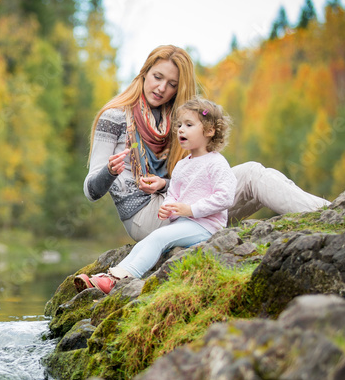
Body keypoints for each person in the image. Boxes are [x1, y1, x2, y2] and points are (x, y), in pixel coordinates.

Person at [82, 45, 329, 245]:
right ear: (144, 72)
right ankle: (329, 214)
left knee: (256, 177)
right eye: (157, 77)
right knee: (251, 175)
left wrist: (164, 183)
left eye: (172, 84)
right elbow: (91, 191)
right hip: (145, 217)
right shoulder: (114, 117)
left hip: (178, 203)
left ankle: (327, 213)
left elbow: (187, 178)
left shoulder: (179, 120)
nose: (161, 88)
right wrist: (109, 172)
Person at [76, 98, 234, 293]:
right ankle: (110, 276)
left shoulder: (216, 163)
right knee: (150, 239)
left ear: (210, 131)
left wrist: (191, 209)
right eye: (179, 125)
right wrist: (167, 208)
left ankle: (119, 280)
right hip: (186, 223)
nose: (181, 130)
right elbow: (173, 193)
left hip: (207, 226)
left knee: (159, 237)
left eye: (189, 125)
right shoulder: (183, 164)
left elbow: (225, 197)